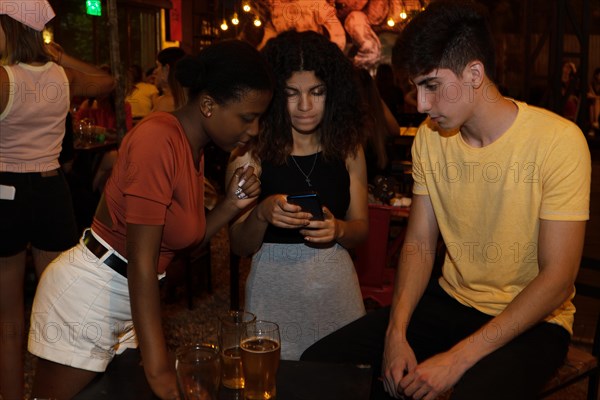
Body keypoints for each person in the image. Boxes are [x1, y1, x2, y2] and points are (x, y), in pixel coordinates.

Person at [300, 2, 591, 400]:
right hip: (451, 300)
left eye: (432, 86)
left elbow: (557, 280)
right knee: (320, 364)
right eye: (415, 88)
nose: (420, 104)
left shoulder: (558, 142)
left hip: (534, 321)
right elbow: (419, 243)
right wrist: (396, 332)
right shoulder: (430, 139)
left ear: (474, 73)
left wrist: (456, 359)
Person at [28, 40, 273, 400]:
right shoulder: (159, 139)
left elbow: (181, 240)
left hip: (128, 295)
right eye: (247, 118)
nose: (254, 130)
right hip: (89, 294)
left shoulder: (193, 146)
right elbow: (141, 260)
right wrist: (158, 367)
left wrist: (231, 205)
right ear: (208, 105)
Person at [227, 30, 369, 361]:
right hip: (271, 295)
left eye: (316, 92)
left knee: (341, 381)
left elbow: (362, 228)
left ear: (333, 93)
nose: (305, 106)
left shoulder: (348, 147)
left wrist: (340, 230)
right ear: (274, 96)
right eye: (292, 94)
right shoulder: (249, 150)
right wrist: (261, 213)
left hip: (337, 293)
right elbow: (238, 245)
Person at [0, 3, 115, 399]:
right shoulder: (61, 76)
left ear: (9, 29)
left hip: (7, 196)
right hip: (50, 193)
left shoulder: (4, 79)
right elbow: (106, 81)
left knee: (9, 318)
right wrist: (59, 55)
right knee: (59, 311)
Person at [356, 68, 400, 182]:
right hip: (380, 182)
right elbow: (396, 130)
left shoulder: (353, 120)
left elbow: (396, 130)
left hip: (367, 183)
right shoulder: (377, 116)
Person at [153, 46, 186, 113]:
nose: (154, 72)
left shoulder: (165, 103)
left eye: (158, 66)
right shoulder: (187, 100)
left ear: (166, 70)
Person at [588, 67, 600, 136]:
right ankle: (593, 126)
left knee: (597, 101)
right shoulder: (592, 84)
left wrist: (595, 97)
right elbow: (589, 95)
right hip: (593, 103)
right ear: (596, 75)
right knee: (592, 105)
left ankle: (596, 122)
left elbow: (594, 96)